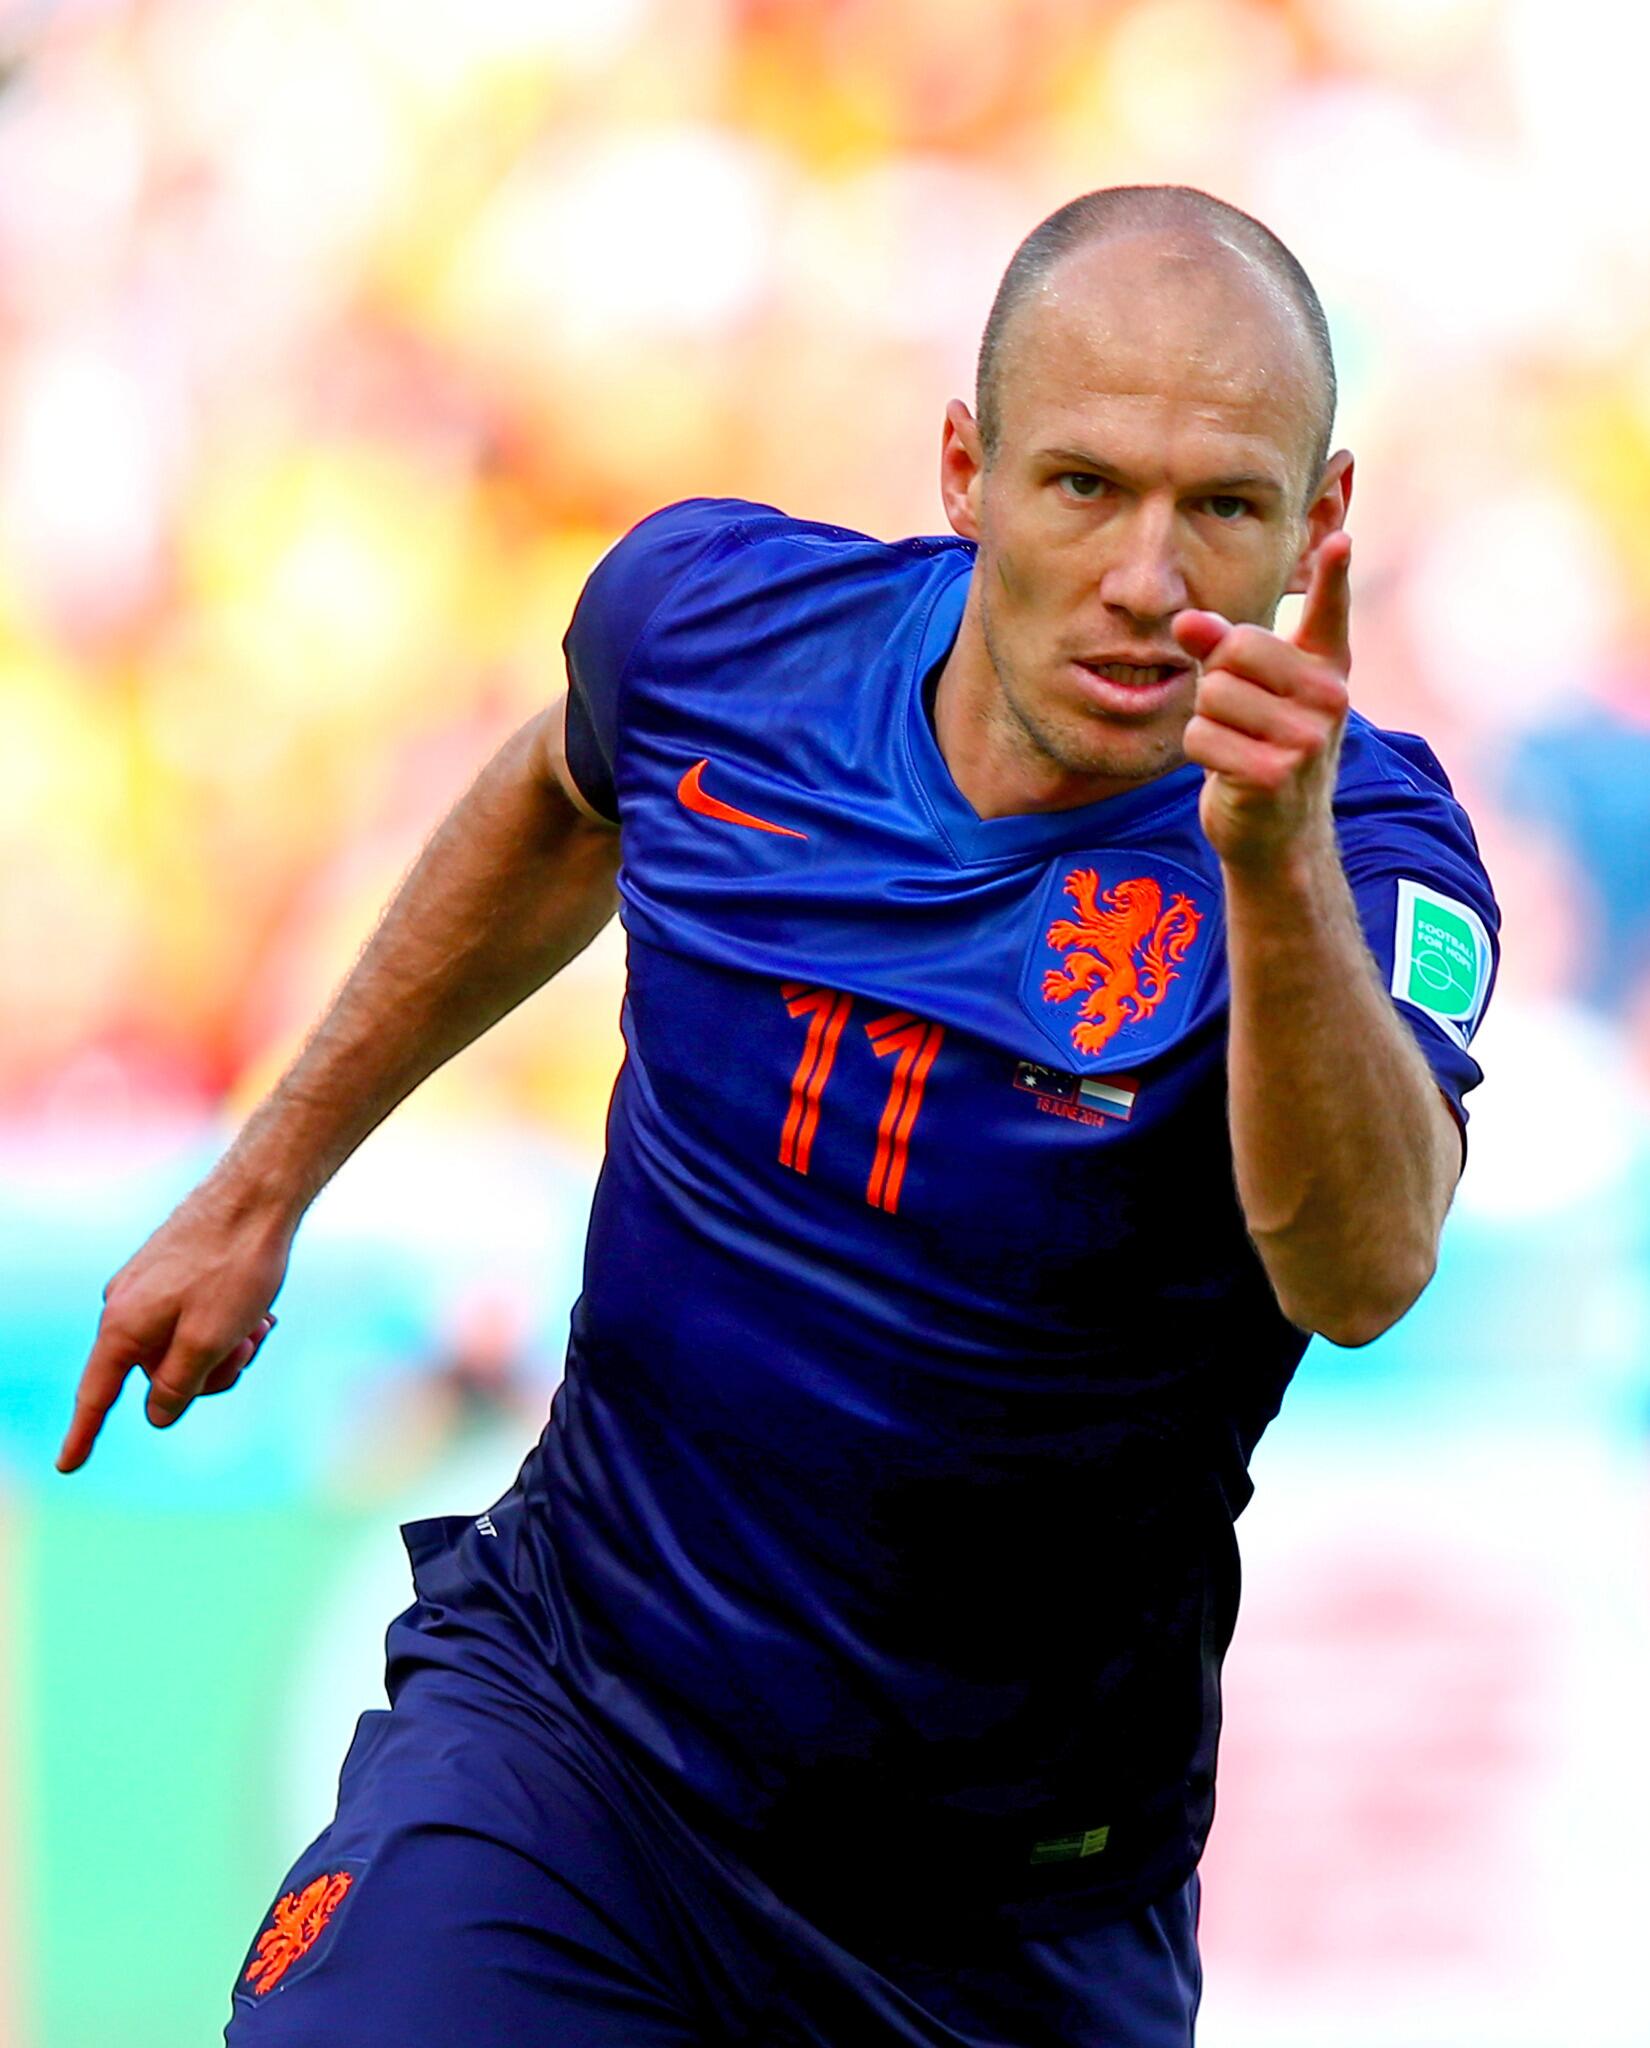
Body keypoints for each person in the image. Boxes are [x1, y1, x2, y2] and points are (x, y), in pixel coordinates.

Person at [58, 185, 1499, 2047]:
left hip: (1001, 1918)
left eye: (1222, 506)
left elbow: (1363, 1270)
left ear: (1317, 521)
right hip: (577, 1747)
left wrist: (1272, 875)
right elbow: (561, 794)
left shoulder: (1365, 856)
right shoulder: (717, 632)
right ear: (965, 470)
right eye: (1082, 487)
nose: (1150, 577)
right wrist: (260, 1186)